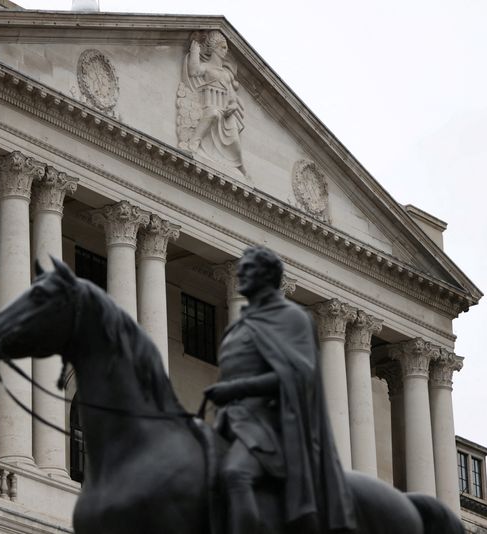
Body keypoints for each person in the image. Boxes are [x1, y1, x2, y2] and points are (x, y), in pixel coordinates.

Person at [204, 246, 356, 533]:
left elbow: (299, 376)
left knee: (236, 474)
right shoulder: (242, 325)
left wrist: (236, 388)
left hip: (273, 426)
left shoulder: (292, 318)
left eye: (248, 268)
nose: (240, 273)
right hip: (232, 423)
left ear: (267, 274)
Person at [182, 30, 247, 177]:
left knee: (236, 142)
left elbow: (232, 97)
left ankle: (240, 166)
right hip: (209, 105)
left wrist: (233, 106)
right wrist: (194, 52)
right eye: (223, 47)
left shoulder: (227, 74)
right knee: (213, 113)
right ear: (214, 48)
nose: (226, 51)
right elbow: (194, 71)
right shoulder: (207, 67)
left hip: (227, 113)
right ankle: (194, 142)